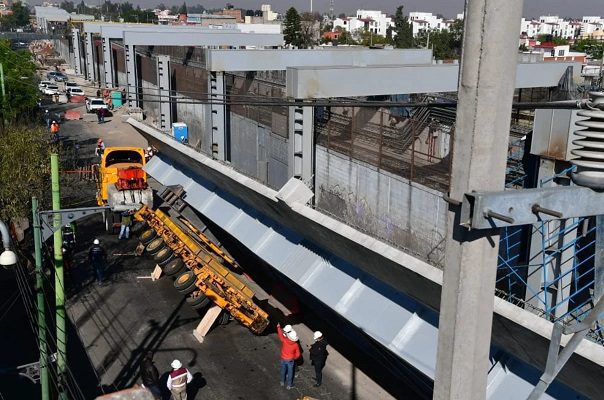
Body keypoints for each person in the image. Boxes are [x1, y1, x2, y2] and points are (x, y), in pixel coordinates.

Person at [277, 323, 301, 390]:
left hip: (283, 358)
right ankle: (289, 385)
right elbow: (298, 354)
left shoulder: (285, 340)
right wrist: (294, 358)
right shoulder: (295, 345)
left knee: (283, 370)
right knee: (290, 373)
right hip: (290, 360)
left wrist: (278, 327)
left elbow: (280, 335)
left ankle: (282, 381)